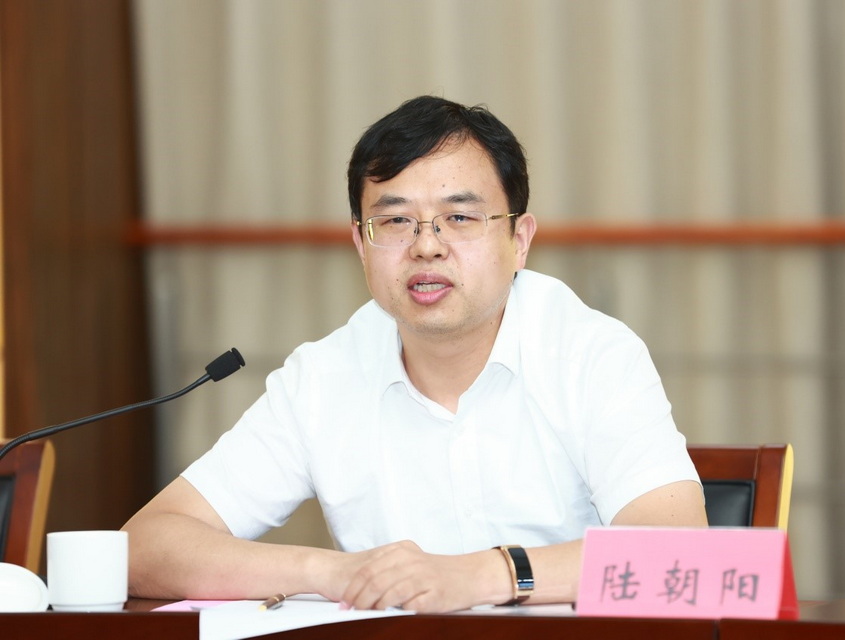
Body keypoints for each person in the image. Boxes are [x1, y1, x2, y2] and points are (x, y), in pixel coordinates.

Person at [122, 95, 707, 613]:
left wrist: (480, 576)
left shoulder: (592, 355)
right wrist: (333, 573)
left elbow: (681, 557)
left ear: (519, 239)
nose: (427, 246)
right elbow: (146, 546)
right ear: (361, 243)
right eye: (396, 221)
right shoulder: (324, 377)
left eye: (460, 218)